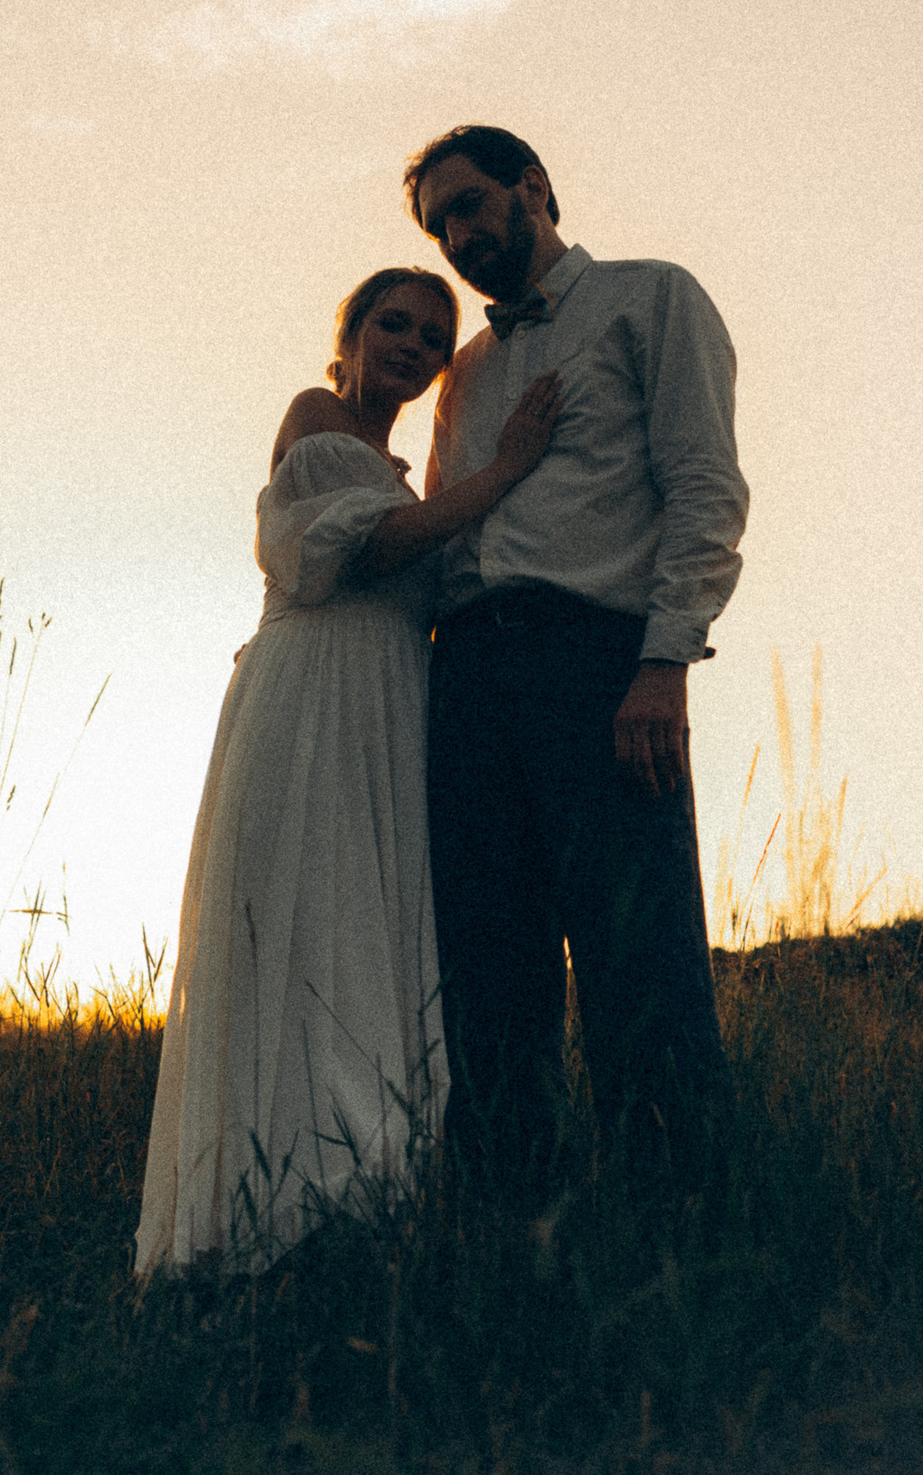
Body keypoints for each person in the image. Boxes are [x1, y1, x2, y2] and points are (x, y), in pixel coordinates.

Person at [133, 267, 562, 1275]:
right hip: (313, 692)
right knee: (302, 924)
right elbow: (371, 550)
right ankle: (264, 1212)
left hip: (385, 703)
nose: (410, 345)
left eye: (430, 334)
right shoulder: (316, 416)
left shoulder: (401, 463)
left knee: (366, 933)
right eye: (392, 323)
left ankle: (354, 1202)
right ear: (351, 330)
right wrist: (503, 471)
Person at [407, 124, 749, 1209]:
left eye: (467, 205)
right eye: (438, 224)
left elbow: (704, 487)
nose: (457, 235)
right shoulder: (461, 377)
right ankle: (512, 1227)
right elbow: (444, 532)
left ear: (533, 186)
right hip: (462, 679)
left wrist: (662, 663)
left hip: (595, 664)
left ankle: (673, 1228)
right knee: (486, 969)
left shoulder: (653, 298)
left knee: (636, 957)